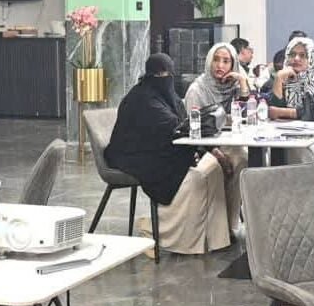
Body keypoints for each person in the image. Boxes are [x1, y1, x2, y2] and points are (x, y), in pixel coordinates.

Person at [106, 53, 236, 255]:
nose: (163, 79)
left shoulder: (168, 96)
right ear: (149, 75)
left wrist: (212, 150)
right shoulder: (142, 98)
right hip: (133, 155)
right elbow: (174, 126)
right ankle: (156, 230)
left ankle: (214, 237)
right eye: (158, 74)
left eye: (167, 74)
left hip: (160, 149)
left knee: (213, 169)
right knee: (196, 177)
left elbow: (182, 125)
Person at [183, 43, 249, 234]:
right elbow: (192, 130)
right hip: (203, 147)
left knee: (242, 159)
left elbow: (246, 117)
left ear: (233, 65)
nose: (220, 65)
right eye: (216, 60)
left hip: (229, 143)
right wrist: (216, 153)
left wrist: (243, 83)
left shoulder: (234, 87)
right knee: (230, 161)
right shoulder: (197, 90)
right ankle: (217, 228)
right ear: (209, 62)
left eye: (226, 61)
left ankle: (229, 226)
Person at [268, 36, 314, 121]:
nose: (296, 59)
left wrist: (283, 112)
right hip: (285, 127)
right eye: (292, 55)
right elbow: (272, 110)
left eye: (302, 55)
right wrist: (278, 78)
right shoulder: (284, 75)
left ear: (311, 58)